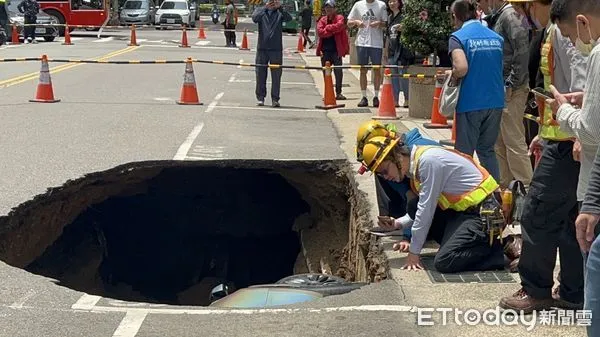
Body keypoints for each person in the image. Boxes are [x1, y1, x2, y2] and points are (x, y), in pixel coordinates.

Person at [498, 0, 587, 314]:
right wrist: (545, 132)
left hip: (570, 141)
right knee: (568, 217)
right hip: (563, 136)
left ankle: (536, 290)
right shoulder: (558, 29)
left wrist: (577, 134)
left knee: (537, 213)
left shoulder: (563, 31)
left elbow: (580, 83)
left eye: (524, 9)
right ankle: (575, 291)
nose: (525, 17)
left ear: (535, 6)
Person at [358, 133, 515, 273]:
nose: (386, 177)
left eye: (385, 171)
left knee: (445, 261)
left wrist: (414, 253)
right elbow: (422, 209)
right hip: (463, 214)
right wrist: (398, 224)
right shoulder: (417, 165)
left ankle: (503, 248)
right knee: (414, 206)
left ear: (397, 157)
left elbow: (426, 211)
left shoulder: (428, 162)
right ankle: (469, 244)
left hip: (482, 215)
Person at [447, 0, 504, 183]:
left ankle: (467, 195)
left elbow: (461, 67)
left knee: (464, 154)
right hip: (495, 101)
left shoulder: (458, 37)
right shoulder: (495, 37)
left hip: (471, 101)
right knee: (487, 151)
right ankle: (494, 196)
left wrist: (453, 76)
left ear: (455, 16)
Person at [355, 121, 440, 243]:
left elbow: (427, 207)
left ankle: (407, 225)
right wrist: (406, 192)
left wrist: (408, 235)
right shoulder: (402, 156)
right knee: (382, 169)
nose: (385, 176)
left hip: (448, 210)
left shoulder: (421, 159)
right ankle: (393, 221)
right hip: (431, 201)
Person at [347, 0, 388, 108]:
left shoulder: (381, 5)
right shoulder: (358, 4)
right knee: (363, 70)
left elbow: (386, 23)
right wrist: (356, 22)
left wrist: (379, 23)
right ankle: (364, 96)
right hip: (362, 42)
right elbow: (349, 23)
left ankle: (376, 96)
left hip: (376, 43)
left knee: (377, 70)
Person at [252, 0, 292, 107]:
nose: (272, 3)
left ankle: (275, 99)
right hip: (262, 48)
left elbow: (289, 18)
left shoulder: (279, 13)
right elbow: (254, 18)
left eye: (274, 1)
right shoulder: (261, 11)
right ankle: (260, 98)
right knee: (260, 74)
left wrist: (280, 8)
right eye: (270, 1)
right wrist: (265, 8)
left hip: (276, 49)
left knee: (276, 75)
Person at [316, 0, 348, 101]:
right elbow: (320, 32)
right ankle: (328, 92)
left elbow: (340, 26)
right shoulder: (322, 19)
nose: (328, 9)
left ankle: (339, 93)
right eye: (326, 7)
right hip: (325, 51)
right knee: (326, 73)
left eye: (330, 7)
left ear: (335, 9)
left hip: (337, 50)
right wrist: (332, 31)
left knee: (338, 72)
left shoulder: (340, 17)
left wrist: (328, 27)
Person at [384, 0, 413, 108]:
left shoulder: (404, 17)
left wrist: (402, 27)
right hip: (392, 51)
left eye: (394, 1)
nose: (392, 3)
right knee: (393, 77)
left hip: (402, 51)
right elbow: (387, 36)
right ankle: (395, 100)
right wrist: (385, 51)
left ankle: (407, 99)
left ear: (399, 3)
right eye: (390, 1)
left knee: (403, 76)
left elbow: (409, 30)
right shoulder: (389, 17)